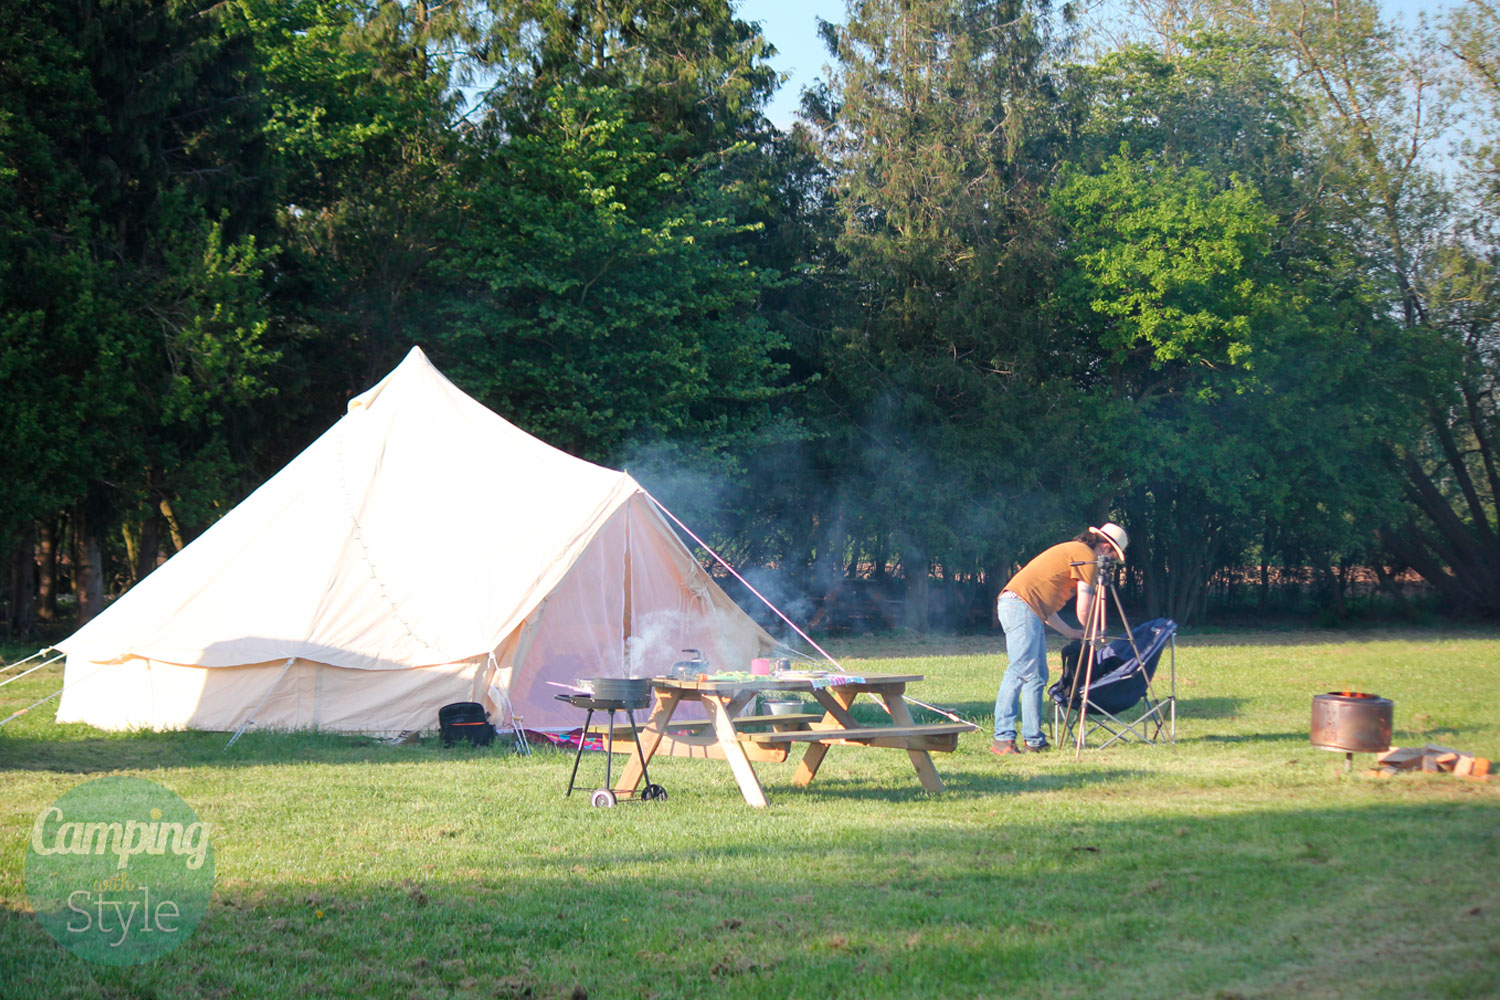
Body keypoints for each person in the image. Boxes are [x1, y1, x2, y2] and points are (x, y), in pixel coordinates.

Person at [991, 523, 1129, 755]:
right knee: (1021, 670)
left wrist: (1072, 633)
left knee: (1037, 675)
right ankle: (1002, 739)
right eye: (1113, 557)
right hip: (1020, 605)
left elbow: (1046, 608)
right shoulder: (1087, 558)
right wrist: (1092, 630)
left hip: (1025, 606)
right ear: (1106, 547)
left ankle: (1033, 739)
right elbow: (1083, 607)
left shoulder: (1075, 552)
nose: (1111, 563)